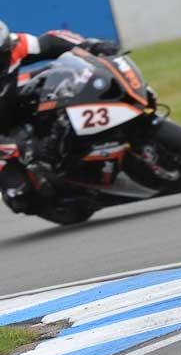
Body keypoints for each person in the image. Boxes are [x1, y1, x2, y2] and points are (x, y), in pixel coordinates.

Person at [0, 21, 119, 213]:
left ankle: (87, 136)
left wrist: (91, 44)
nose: (3, 59)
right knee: (20, 196)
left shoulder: (12, 46)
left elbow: (52, 40)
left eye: (3, 53)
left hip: (12, 101)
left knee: (56, 77)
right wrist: (15, 147)